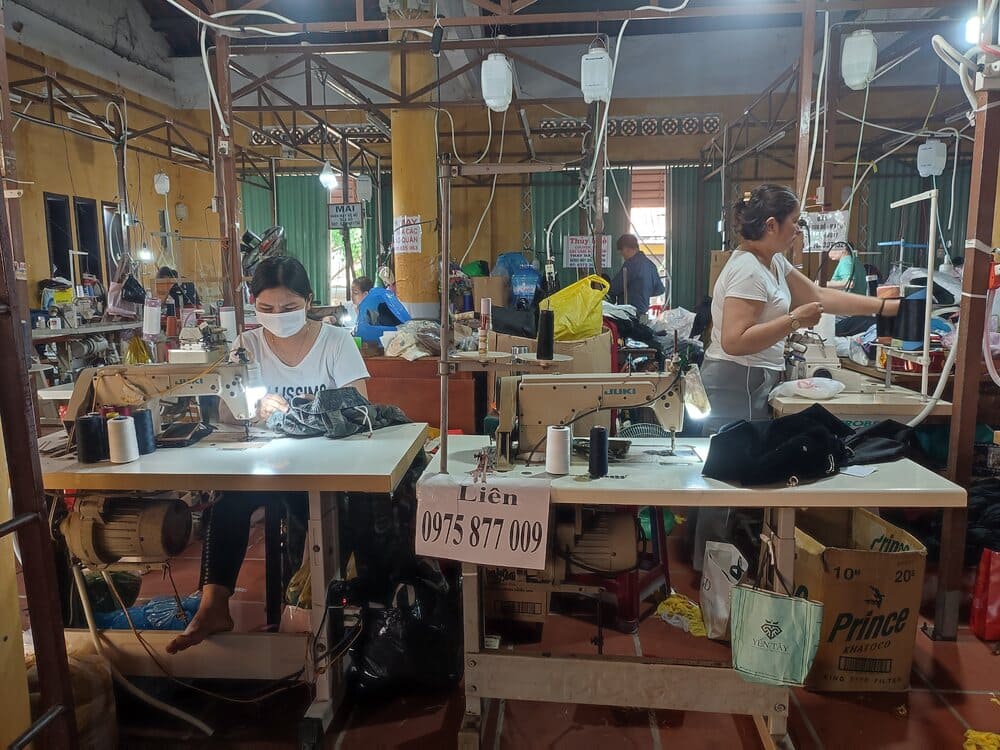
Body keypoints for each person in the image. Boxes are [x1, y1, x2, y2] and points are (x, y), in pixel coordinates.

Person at [690, 184, 900, 570]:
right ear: (772, 225)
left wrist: (883, 307)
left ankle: (720, 562)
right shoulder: (747, 271)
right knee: (726, 478)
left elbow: (819, 296)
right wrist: (792, 322)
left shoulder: (774, 263)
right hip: (734, 378)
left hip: (753, 378)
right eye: (794, 223)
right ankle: (710, 572)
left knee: (738, 474)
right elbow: (734, 341)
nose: (798, 230)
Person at [167, 256, 370, 653]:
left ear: (309, 301)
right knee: (226, 503)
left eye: (289, 308)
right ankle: (213, 604)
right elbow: (227, 412)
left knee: (307, 514)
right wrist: (251, 410)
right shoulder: (248, 344)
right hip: (265, 463)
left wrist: (309, 407)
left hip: (323, 469)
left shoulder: (335, 342)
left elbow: (361, 403)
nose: (278, 316)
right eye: (267, 309)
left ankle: (312, 614)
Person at [609, 234, 665, 319]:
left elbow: (614, 288)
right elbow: (660, 289)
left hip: (629, 315)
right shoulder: (651, 265)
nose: (622, 255)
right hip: (644, 315)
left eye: (622, 251)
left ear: (627, 249)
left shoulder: (630, 265)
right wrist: (644, 294)